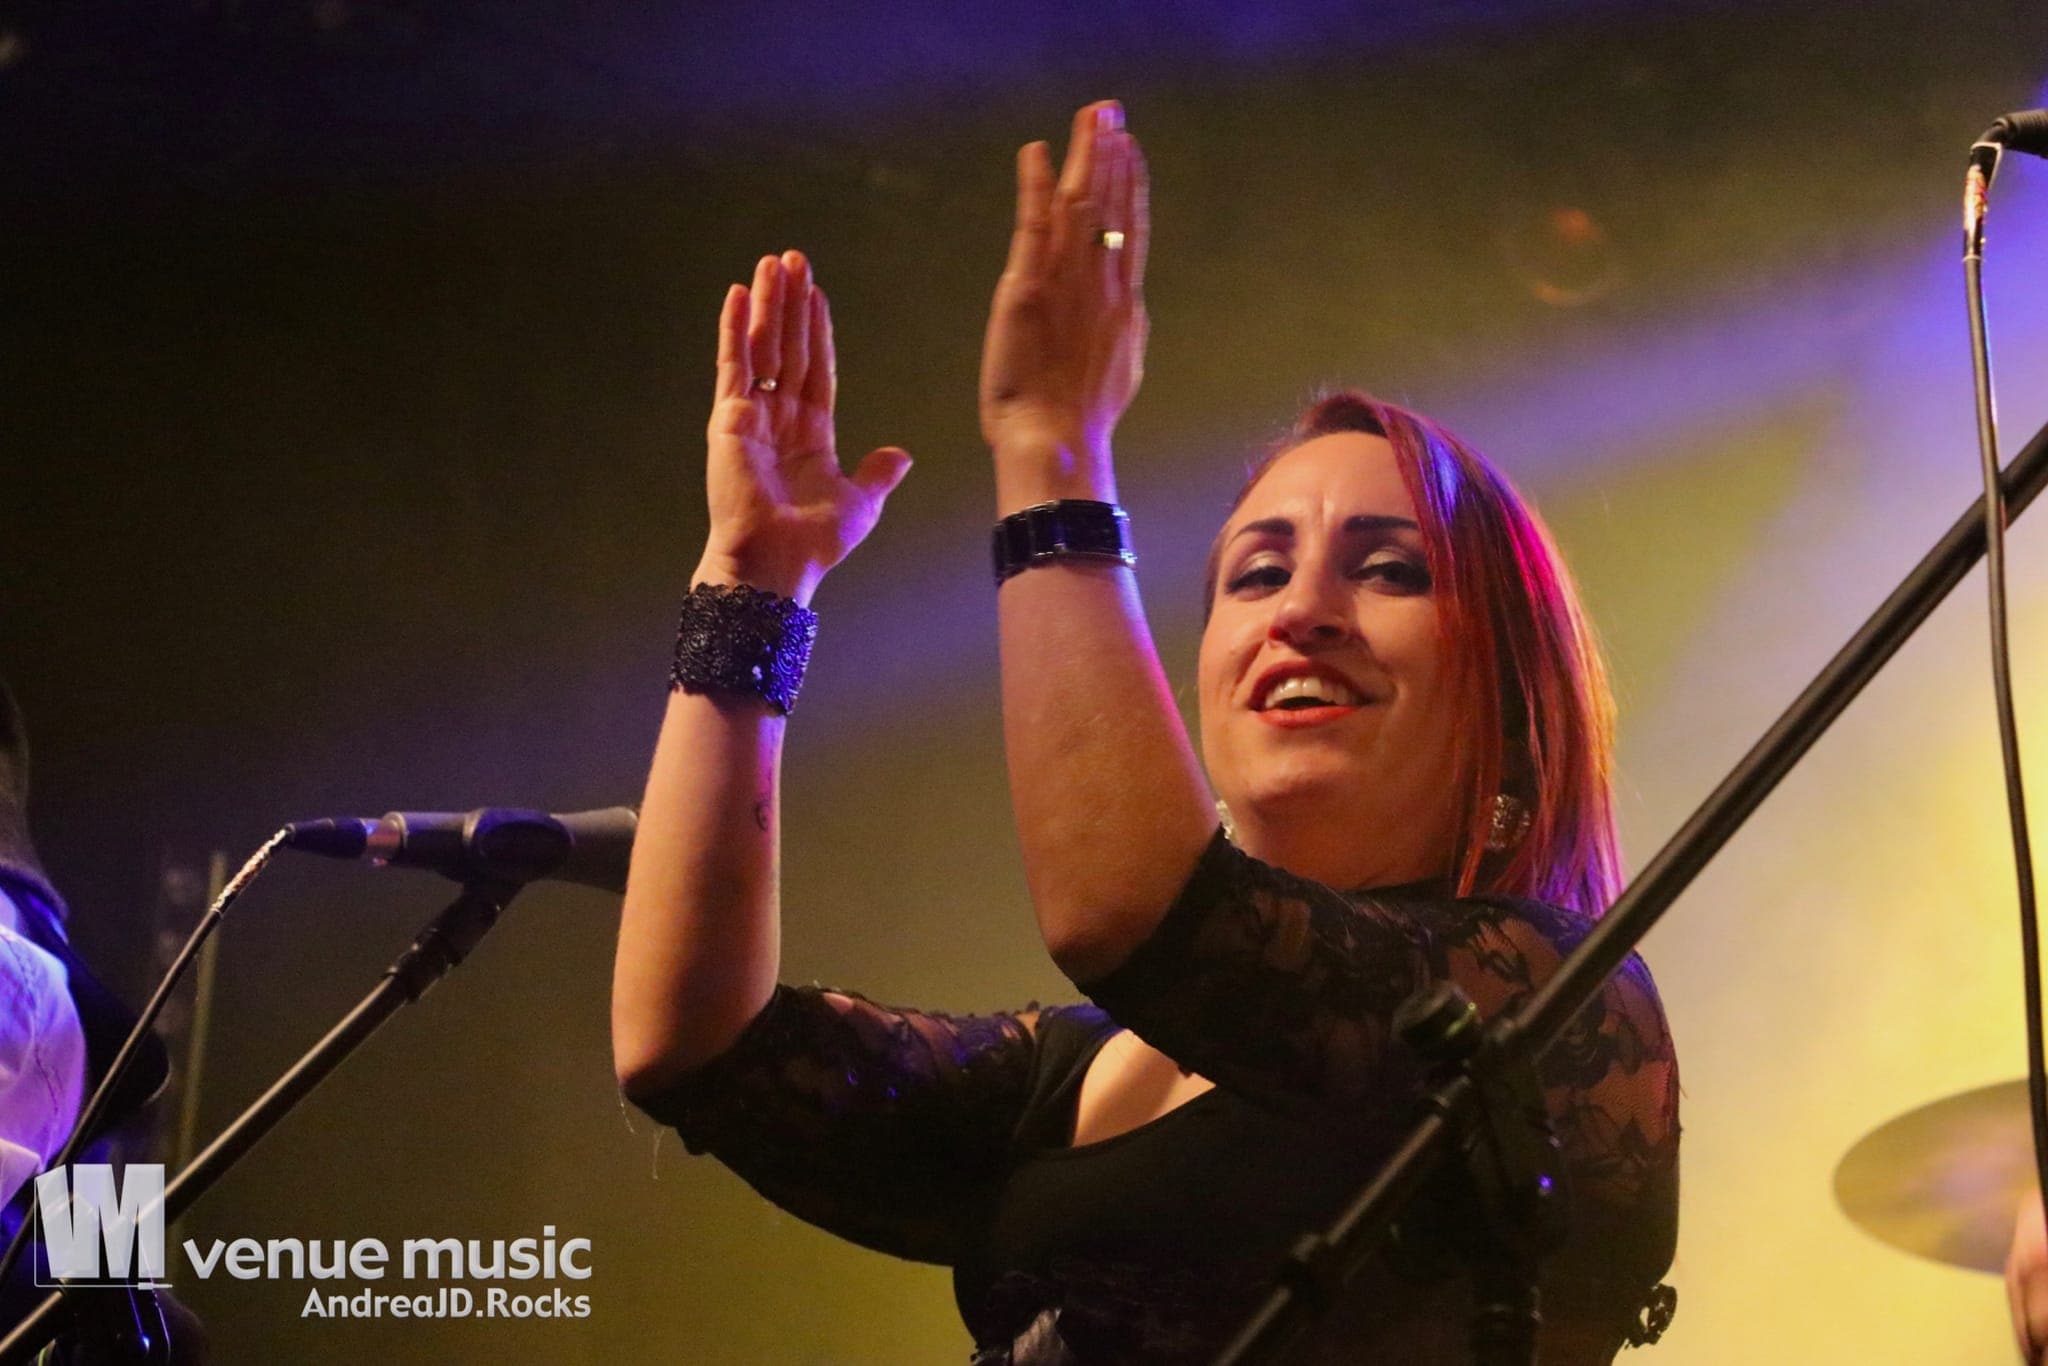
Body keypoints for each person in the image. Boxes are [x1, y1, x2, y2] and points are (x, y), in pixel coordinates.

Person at [613, 101, 1679, 1363]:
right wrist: (752, 582)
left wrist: (1053, 448)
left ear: (1513, 702)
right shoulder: (1074, 1072)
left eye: (1388, 569)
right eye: (1255, 573)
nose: (1300, 613)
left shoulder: (1554, 1008)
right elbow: (697, 1046)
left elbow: (1134, 912)